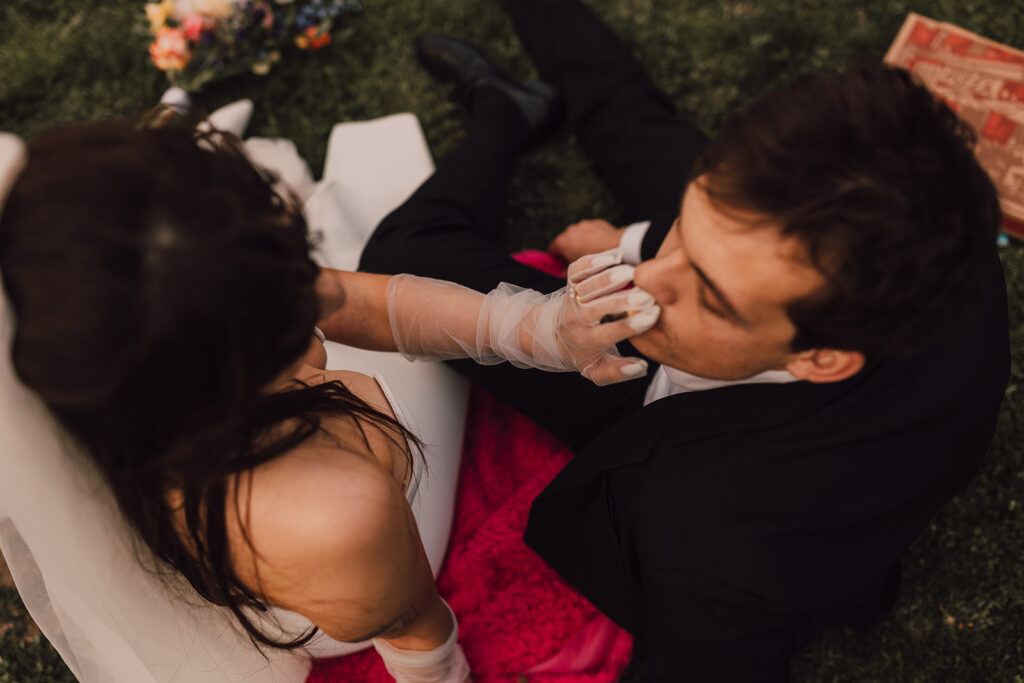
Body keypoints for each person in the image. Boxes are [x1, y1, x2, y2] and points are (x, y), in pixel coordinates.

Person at [357, 0, 1011, 680]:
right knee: (631, 123)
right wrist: (630, 238)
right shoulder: (935, 228)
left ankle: (501, 113)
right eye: (685, 230)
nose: (636, 280)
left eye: (710, 294)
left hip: (679, 425)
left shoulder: (718, 560)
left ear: (821, 356)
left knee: (403, 257)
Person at [0, 118, 660, 682]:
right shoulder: (334, 515)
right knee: (402, 253)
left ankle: (498, 125)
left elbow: (360, 299)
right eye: (288, 327)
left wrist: (539, 329)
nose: (309, 304)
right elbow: (413, 624)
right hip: (331, 582)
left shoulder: (69, 326)